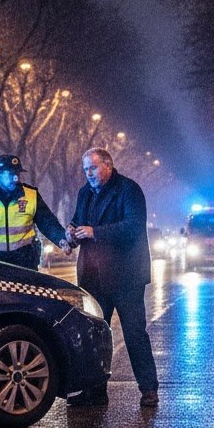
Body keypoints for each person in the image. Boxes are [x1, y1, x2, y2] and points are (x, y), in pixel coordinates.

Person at [66, 147, 159, 408]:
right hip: (93, 278)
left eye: (93, 168)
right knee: (94, 335)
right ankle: (94, 390)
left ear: (108, 165)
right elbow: (77, 222)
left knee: (134, 333)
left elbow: (133, 227)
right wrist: (70, 236)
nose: (89, 173)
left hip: (126, 277)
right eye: (86, 169)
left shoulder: (128, 190)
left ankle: (149, 389)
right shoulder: (85, 193)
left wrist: (95, 232)